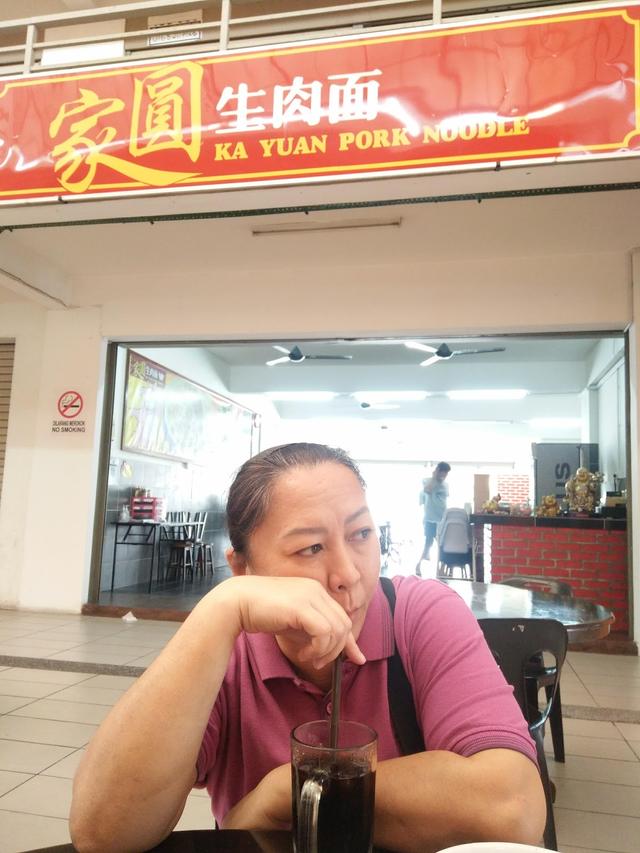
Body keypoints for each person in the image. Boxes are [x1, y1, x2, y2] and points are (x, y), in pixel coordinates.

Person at [70, 443, 545, 853]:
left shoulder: (421, 615)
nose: (349, 574)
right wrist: (219, 613)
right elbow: (104, 834)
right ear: (243, 568)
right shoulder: (227, 650)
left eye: (360, 535)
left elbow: (512, 810)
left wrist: (288, 789)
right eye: (311, 548)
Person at [416, 460, 451, 575]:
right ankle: (419, 565)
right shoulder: (427, 481)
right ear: (437, 471)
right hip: (430, 519)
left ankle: (442, 570)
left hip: (442, 520)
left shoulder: (446, 485)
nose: (444, 476)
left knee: (442, 546)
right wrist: (434, 478)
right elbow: (427, 490)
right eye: (442, 473)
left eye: (446, 474)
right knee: (428, 543)